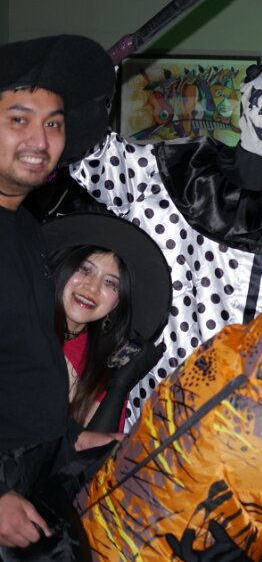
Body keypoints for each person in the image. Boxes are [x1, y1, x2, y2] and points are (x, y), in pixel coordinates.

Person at [72, 61, 262, 428]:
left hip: (241, 428)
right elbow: (93, 157)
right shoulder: (173, 167)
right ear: (244, 100)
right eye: (258, 96)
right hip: (149, 408)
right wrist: (82, 85)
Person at [0, 34, 116, 553]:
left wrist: (72, 439)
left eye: (53, 124)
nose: (39, 139)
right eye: (19, 119)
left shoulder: (25, 229)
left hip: (33, 469)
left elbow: (21, 363)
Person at [41, 212, 171, 431]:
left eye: (111, 283)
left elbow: (94, 449)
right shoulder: (17, 319)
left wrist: (118, 388)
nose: (92, 287)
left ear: (117, 302)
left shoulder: (103, 368)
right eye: (85, 269)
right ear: (63, 266)